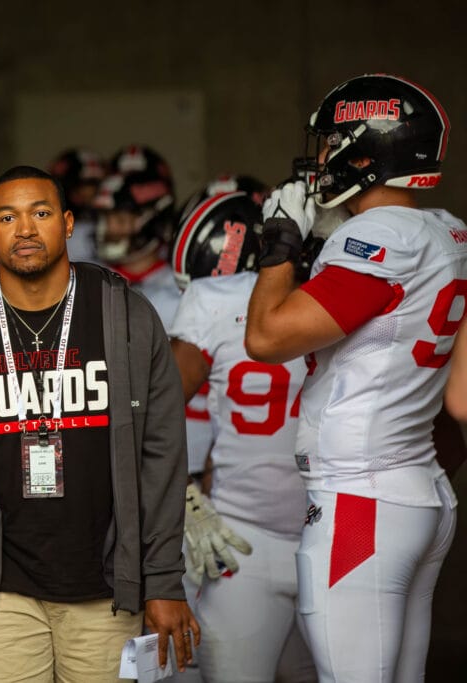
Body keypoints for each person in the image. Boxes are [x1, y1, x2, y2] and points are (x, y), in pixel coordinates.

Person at [0, 165, 198, 681]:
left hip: (107, 587)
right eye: (8, 217)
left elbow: (163, 453)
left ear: (66, 223)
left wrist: (164, 580)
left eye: (40, 213)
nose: (26, 229)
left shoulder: (125, 315)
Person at [245, 73, 464, 683]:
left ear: (365, 149)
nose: (319, 157)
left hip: (363, 498)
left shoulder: (378, 235)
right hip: (419, 488)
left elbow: (265, 337)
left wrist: (280, 247)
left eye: (329, 142)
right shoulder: (448, 231)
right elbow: (461, 400)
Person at [167, 190, 316, 683]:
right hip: (331, 527)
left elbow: (143, 411)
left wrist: (177, 488)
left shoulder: (214, 300)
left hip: (250, 534)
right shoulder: (337, 286)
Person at [92, 146, 214, 481]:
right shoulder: (90, 282)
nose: (109, 229)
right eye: (105, 219)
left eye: (119, 219)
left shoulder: (185, 291)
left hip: (185, 453)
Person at [47, 147, 106, 264]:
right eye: (86, 184)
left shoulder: (108, 222)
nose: (92, 191)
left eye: (95, 184)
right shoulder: (47, 227)